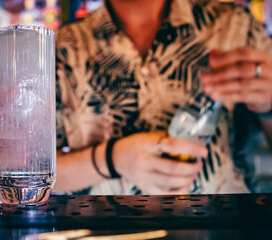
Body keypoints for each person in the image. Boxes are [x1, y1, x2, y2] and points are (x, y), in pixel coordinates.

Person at [53, 0, 272, 195]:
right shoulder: (63, 48)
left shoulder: (236, 27)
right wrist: (111, 159)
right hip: (100, 230)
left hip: (222, 227)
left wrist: (268, 106)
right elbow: (25, 178)